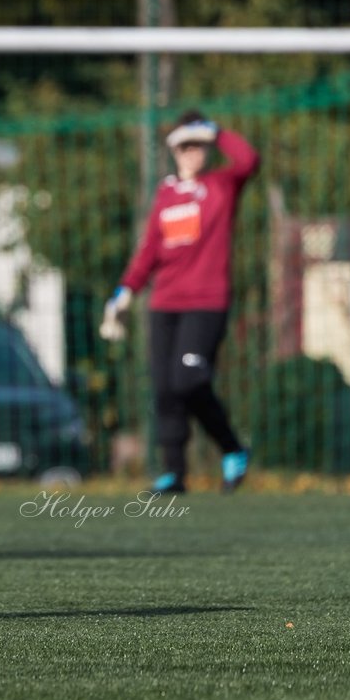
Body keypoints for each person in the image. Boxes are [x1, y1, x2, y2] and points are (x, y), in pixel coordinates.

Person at [99, 110, 259, 494]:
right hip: (165, 303)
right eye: (185, 145)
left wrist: (218, 131)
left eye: (198, 145)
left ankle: (232, 448)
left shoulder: (221, 186)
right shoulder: (167, 194)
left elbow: (249, 161)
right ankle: (174, 473)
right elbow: (151, 249)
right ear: (174, 150)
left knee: (188, 379)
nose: (192, 152)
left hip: (206, 301)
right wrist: (125, 290)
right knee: (165, 387)